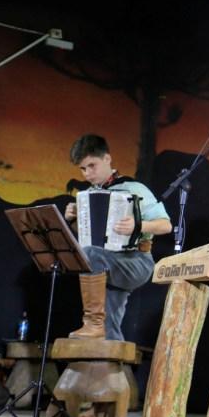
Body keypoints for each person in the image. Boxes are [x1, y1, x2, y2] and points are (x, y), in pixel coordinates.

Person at [64, 135, 172, 341]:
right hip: (106, 262)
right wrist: (73, 220)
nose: (87, 174)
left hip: (136, 260)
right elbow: (88, 238)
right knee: (109, 328)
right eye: (83, 169)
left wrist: (137, 225)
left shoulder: (134, 188)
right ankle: (107, 346)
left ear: (107, 159)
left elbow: (165, 225)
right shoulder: (89, 194)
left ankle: (92, 323)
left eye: (92, 166)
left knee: (90, 254)